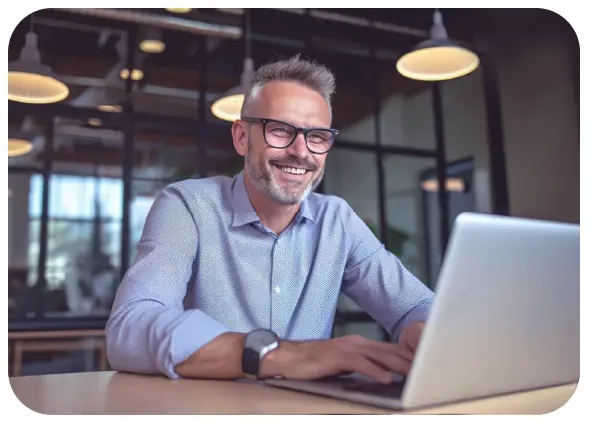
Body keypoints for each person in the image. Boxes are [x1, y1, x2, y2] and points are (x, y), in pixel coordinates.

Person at [106, 55, 434, 385]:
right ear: (241, 138)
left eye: (317, 137)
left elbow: (416, 306)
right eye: (280, 130)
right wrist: (280, 354)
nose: (301, 152)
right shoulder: (188, 206)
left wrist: (425, 328)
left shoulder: (338, 221)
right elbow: (130, 328)